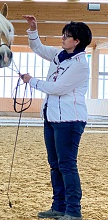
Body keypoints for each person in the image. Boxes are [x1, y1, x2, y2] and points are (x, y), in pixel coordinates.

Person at [21, 15, 92, 220]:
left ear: (76, 41)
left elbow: (57, 88)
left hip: (70, 121)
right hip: (51, 118)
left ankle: (73, 211)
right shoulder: (59, 55)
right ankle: (58, 206)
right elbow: (38, 48)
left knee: (67, 165)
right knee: (55, 164)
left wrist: (31, 81)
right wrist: (33, 29)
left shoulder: (80, 65)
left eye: (67, 36)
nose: (63, 38)